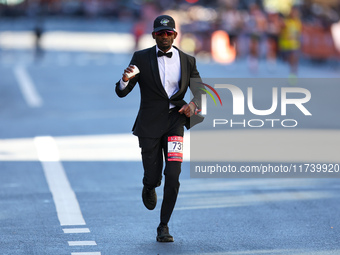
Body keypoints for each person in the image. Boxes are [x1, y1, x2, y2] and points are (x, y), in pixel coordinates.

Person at [115, 15, 204, 242]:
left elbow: (200, 92)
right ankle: (149, 185)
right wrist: (125, 80)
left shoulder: (187, 60)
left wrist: (193, 105)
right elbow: (122, 91)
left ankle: (163, 225)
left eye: (168, 33)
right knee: (153, 175)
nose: (164, 37)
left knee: (173, 174)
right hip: (149, 124)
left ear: (175, 35)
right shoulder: (141, 58)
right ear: (154, 35)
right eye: (160, 33)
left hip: (175, 121)